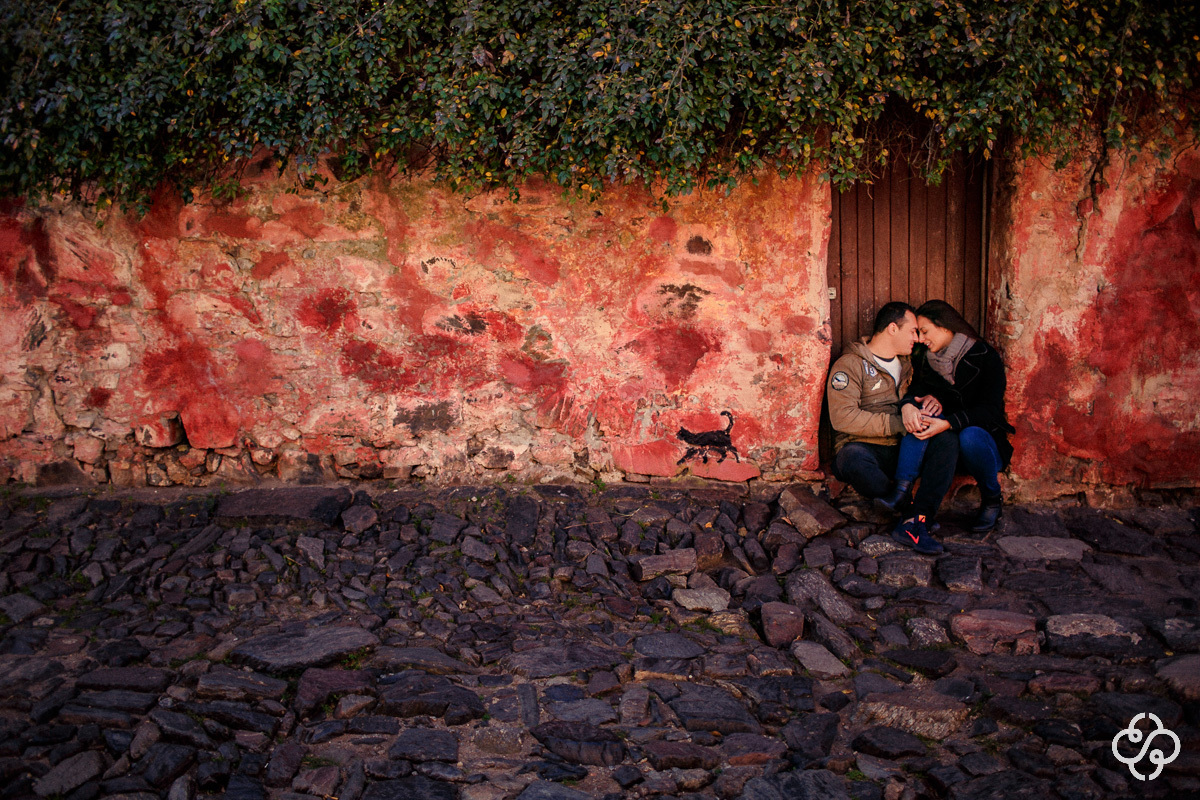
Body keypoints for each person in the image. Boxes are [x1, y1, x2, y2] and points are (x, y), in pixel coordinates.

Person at [827, 302, 959, 555]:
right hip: (863, 447)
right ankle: (912, 515)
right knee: (853, 460)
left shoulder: (909, 365)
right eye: (912, 331)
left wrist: (931, 401)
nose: (917, 338)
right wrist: (901, 423)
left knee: (948, 440)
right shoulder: (850, 365)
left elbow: (927, 394)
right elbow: (843, 418)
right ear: (892, 329)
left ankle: (916, 520)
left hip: (903, 449)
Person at [883, 299, 1015, 533]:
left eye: (925, 331)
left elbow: (990, 410)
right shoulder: (925, 357)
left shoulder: (985, 356)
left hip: (981, 443)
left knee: (970, 436)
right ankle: (902, 492)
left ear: (945, 326)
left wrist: (948, 422)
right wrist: (907, 406)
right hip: (946, 444)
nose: (921, 339)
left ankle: (992, 499)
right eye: (919, 333)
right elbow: (917, 390)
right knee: (920, 417)